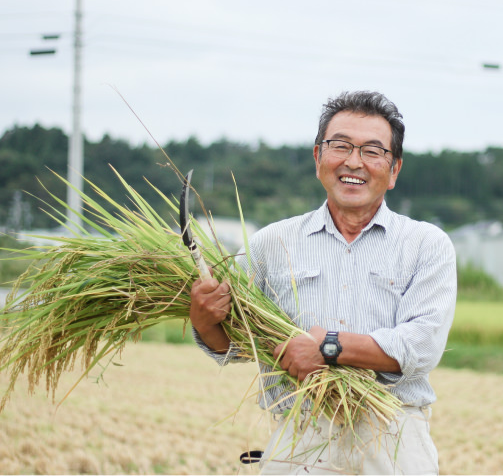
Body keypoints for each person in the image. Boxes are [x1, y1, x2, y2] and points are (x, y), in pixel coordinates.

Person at [189, 90, 457, 475]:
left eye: (372, 151)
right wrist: (205, 320)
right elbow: (236, 347)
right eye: (341, 146)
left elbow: (422, 345)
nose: (353, 162)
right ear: (318, 158)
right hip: (300, 435)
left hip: (392, 438)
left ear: (394, 169)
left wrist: (328, 347)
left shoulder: (426, 245)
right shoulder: (272, 243)